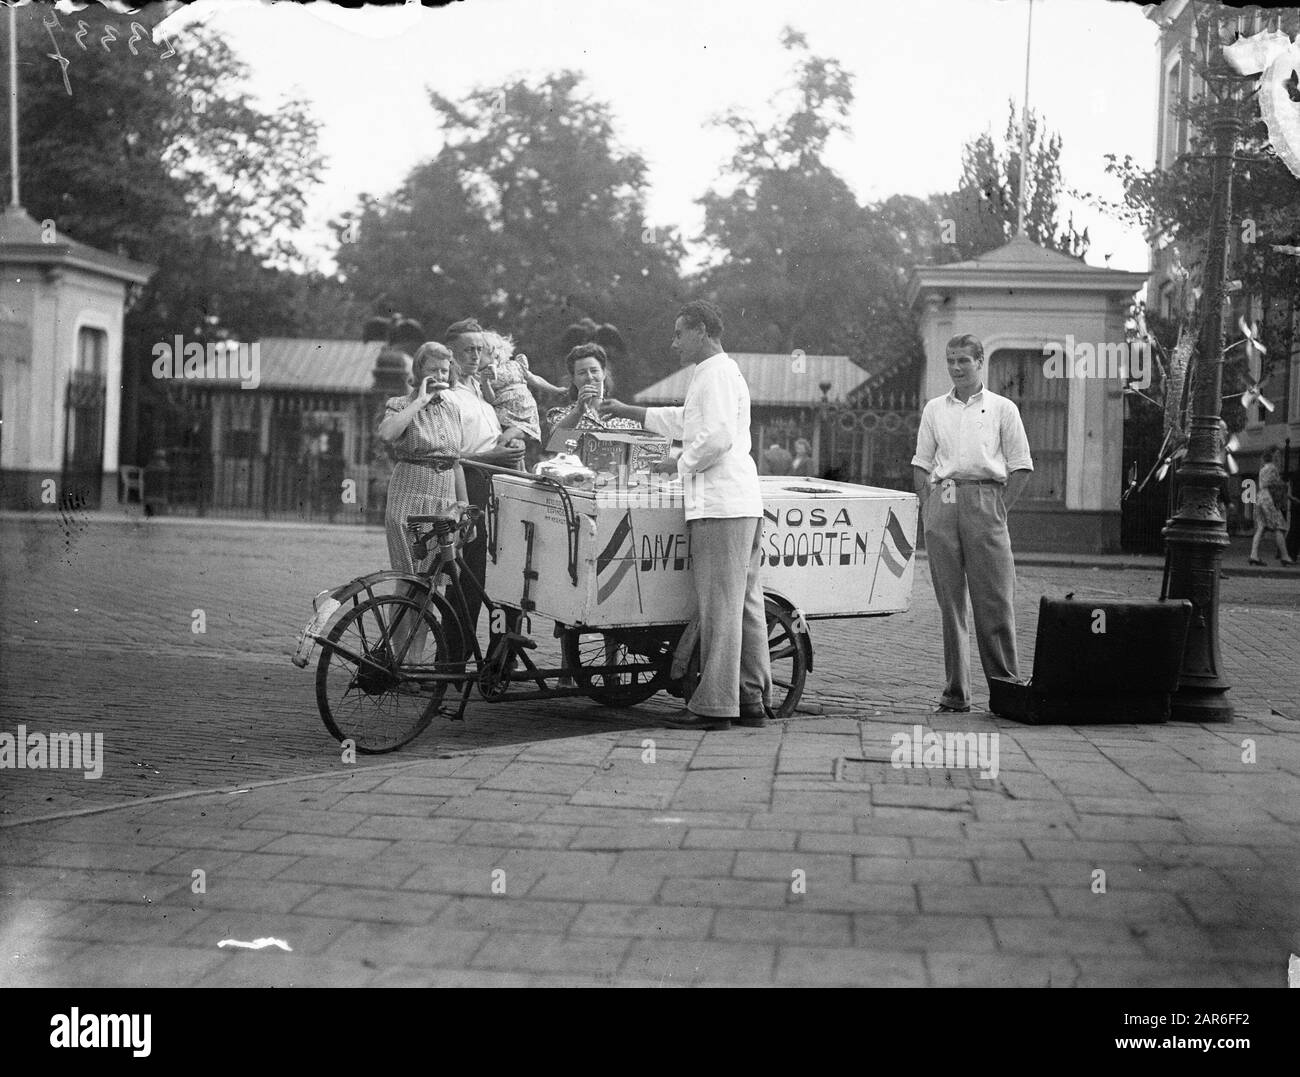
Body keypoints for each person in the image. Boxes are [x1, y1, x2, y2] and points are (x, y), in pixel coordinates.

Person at [600, 300, 773, 730]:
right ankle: (751, 698)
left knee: (720, 608)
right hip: (739, 502)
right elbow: (690, 420)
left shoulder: (712, 373)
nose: (674, 342)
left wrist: (675, 464)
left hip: (720, 506)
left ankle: (715, 705)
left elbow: (713, 438)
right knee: (745, 605)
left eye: (679, 333)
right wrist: (632, 412)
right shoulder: (718, 371)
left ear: (699, 330)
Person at [912, 333, 1033, 713]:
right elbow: (921, 462)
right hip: (944, 498)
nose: (956, 368)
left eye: (964, 360)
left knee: (994, 599)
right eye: (950, 361)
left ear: (981, 362)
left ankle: (1006, 690)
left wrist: (999, 509)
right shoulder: (934, 409)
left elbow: (1021, 466)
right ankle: (956, 693)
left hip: (986, 499)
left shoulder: (1002, 408)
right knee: (950, 602)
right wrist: (928, 505)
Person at [443, 318, 527, 637]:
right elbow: (450, 455)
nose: (475, 356)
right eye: (468, 350)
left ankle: (497, 659)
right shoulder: (448, 394)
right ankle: (452, 656)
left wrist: (511, 441)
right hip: (468, 483)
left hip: (495, 483)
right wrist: (494, 456)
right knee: (467, 574)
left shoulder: (478, 388)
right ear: (450, 353)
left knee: (496, 573)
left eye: (479, 349)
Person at [376, 342, 466, 575]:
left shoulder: (453, 409)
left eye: (444, 370)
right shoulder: (401, 404)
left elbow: (456, 462)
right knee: (408, 574)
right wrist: (420, 402)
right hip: (410, 493)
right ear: (419, 372)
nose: (439, 375)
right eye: (432, 370)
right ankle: (402, 612)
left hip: (444, 496)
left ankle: (424, 614)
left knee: (433, 576)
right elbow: (387, 434)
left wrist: (463, 505)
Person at [480, 330, 566, 468]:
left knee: (509, 442)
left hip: (525, 413)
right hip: (506, 417)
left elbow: (534, 379)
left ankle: (514, 467)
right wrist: (485, 383)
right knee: (508, 442)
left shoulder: (514, 365)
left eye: (493, 353)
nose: (493, 359)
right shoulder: (482, 376)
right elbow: (491, 399)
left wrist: (556, 390)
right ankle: (511, 467)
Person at [545, 343, 643, 437]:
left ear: (604, 373)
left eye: (594, 371)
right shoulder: (560, 415)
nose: (589, 377)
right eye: (582, 372)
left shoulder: (624, 415)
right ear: (573, 379)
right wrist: (578, 411)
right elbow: (557, 445)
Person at [1249, 447, 1295, 566]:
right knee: (1279, 526)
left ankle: (1253, 555)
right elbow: (1274, 484)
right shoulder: (1273, 468)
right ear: (1273, 456)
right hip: (1269, 499)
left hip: (1260, 498)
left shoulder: (1263, 468)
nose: (1279, 458)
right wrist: (1284, 488)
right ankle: (1285, 556)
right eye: (1278, 455)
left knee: (1261, 527)